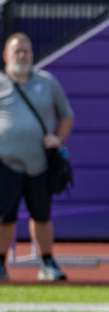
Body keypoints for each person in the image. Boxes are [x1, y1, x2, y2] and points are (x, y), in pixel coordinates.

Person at [0, 32, 73, 282]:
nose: (22, 55)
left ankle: (47, 260)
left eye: (26, 50)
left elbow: (66, 115)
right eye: (16, 51)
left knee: (41, 215)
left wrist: (58, 139)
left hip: (39, 163)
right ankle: (0, 262)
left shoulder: (47, 82)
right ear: (6, 55)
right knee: (4, 216)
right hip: (5, 163)